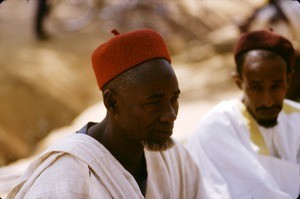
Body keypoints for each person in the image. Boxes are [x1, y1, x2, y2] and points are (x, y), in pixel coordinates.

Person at [7, 29, 207, 198]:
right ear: (112, 102)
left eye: (174, 99)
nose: (170, 114)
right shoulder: (66, 176)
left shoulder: (173, 157)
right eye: (153, 103)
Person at [187, 29, 300, 199]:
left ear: (288, 80)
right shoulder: (216, 128)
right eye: (256, 87)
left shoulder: (296, 118)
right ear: (239, 82)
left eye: (277, 86)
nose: (268, 101)